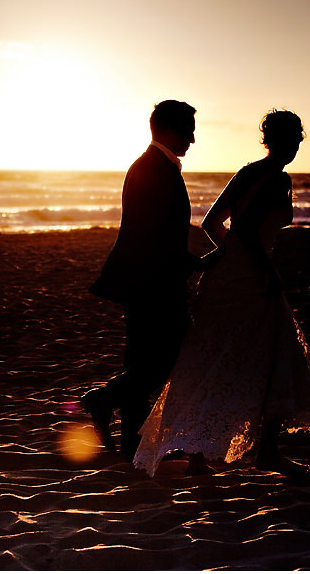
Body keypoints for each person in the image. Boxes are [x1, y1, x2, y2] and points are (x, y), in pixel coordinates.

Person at [133, 109, 310, 478]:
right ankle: (267, 452)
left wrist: (228, 255)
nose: (295, 145)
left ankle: (201, 458)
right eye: (293, 139)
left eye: (298, 139)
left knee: (218, 359)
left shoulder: (248, 172)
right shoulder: (275, 178)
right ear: (280, 141)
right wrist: (265, 269)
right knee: (277, 355)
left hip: (226, 276)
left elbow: (213, 223)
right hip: (252, 280)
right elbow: (247, 229)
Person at [84, 99, 215, 461]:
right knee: (168, 363)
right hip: (153, 286)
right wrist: (193, 264)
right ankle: (104, 399)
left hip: (146, 281)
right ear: (170, 130)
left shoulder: (151, 166)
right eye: (188, 131)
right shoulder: (154, 170)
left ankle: (133, 447)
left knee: (142, 365)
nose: (192, 139)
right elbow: (154, 235)